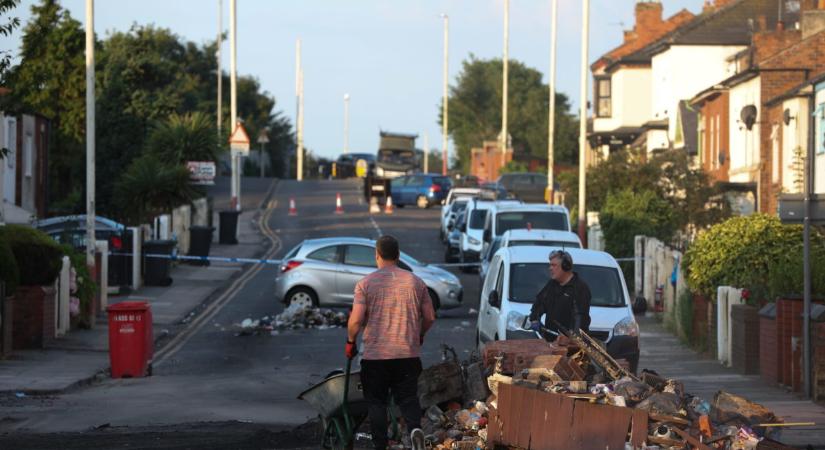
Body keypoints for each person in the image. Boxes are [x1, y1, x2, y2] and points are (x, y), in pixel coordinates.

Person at [346, 235, 436, 450]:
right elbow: (430, 317)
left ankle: (380, 445)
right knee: (408, 398)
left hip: (376, 357)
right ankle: (415, 429)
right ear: (397, 255)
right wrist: (420, 334)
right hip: (407, 354)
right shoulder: (416, 282)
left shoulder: (365, 284)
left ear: (377, 255)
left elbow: (356, 320)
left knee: (376, 401)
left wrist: (350, 341)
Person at [529, 249, 591, 339]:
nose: (550, 268)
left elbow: (580, 319)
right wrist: (534, 319)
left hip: (570, 346)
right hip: (550, 341)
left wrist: (572, 338)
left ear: (566, 266)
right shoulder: (552, 284)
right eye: (550, 265)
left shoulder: (580, 288)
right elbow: (540, 302)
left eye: (554, 265)